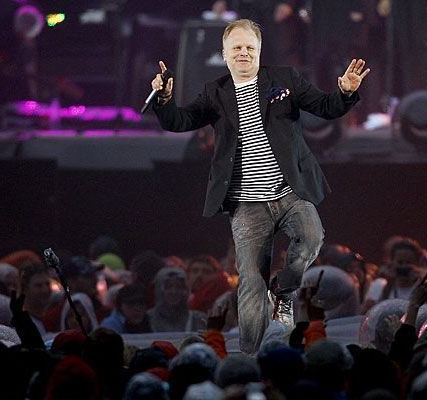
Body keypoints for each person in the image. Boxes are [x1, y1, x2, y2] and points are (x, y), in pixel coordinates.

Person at [150, 18, 369, 354]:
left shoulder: (284, 79)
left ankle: (284, 291)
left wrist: (346, 92)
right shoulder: (215, 92)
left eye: (250, 47)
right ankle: (252, 358)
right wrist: (164, 100)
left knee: (312, 237)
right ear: (224, 54)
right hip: (246, 204)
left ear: (260, 52)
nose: (244, 53)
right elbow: (181, 121)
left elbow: (326, 107)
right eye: (236, 47)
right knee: (251, 285)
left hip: (289, 192)